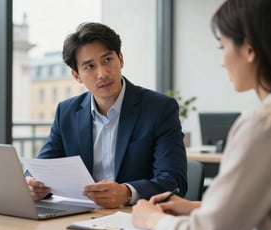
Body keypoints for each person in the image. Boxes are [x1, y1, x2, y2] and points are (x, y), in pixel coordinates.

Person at [132, 0, 271, 230]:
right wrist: (197, 207)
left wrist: (152, 220)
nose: (222, 62)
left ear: (249, 49)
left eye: (222, 47)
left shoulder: (267, 124)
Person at [25, 22, 188, 208]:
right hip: (81, 215)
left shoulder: (159, 108)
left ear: (121, 59)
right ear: (76, 75)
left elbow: (174, 181)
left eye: (107, 60)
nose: (102, 74)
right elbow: (40, 167)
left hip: (135, 217)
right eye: (89, 67)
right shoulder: (67, 112)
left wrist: (127, 193)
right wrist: (31, 183)